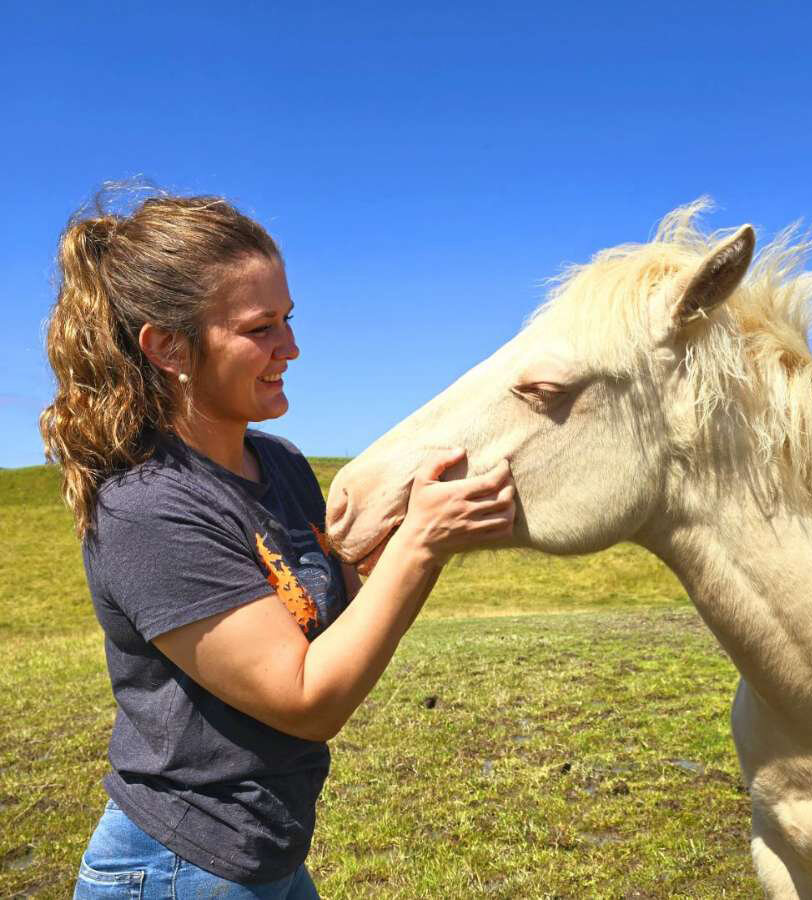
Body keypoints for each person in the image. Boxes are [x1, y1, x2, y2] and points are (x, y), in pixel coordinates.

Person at [40, 192, 515, 898]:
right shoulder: (149, 508)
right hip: (177, 866)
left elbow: (342, 620)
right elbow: (305, 698)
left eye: (287, 320)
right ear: (168, 347)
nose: (289, 348)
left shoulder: (281, 465)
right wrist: (419, 545)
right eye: (260, 328)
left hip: (268, 854)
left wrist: (410, 520)